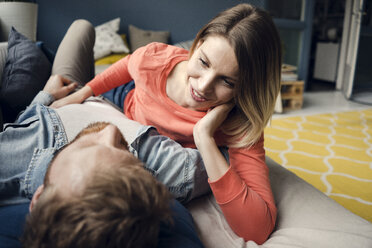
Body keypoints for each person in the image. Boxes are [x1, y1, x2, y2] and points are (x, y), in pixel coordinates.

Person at [52, 3, 282, 243]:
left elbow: (258, 229)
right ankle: (73, 57)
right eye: (203, 62)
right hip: (121, 96)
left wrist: (204, 137)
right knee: (70, 59)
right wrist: (82, 94)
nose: (202, 86)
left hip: (137, 115)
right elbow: (128, 64)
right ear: (198, 44)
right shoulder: (156, 58)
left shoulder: (237, 124)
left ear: (247, 88)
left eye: (227, 81)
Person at [0, 20, 205, 248]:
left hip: (65, 96)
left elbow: (20, 128)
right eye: (123, 148)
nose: (111, 130)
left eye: (86, 147)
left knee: (81, 27)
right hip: (112, 99)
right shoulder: (166, 169)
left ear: (39, 199)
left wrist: (45, 97)